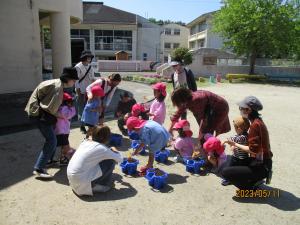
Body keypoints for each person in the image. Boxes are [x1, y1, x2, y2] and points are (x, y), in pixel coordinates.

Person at [25, 67, 79, 179]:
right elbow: (50, 109)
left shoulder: (57, 84)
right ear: (68, 79)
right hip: (38, 115)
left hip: (38, 112)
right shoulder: (57, 88)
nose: (74, 83)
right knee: (52, 140)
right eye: (74, 80)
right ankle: (39, 168)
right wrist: (64, 116)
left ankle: (49, 161)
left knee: (52, 138)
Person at [222, 96, 273, 189]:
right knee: (238, 162)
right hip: (263, 162)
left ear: (248, 110)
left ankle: (250, 187)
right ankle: (254, 179)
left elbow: (253, 150)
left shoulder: (255, 125)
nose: (240, 110)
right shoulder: (258, 121)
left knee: (225, 172)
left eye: (241, 108)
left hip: (261, 165)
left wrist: (235, 144)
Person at [67, 126, 123, 196]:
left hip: (73, 180)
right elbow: (120, 159)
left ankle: (90, 184)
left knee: (100, 159)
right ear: (106, 138)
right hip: (81, 182)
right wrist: (115, 150)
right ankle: (97, 185)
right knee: (110, 161)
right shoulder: (102, 149)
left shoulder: (85, 142)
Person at [220, 116, 250, 186]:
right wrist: (233, 146)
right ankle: (232, 179)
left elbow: (233, 139)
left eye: (235, 128)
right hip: (239, 157)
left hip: (239, 159)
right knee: (234, 169)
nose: (235, 130)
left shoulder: (242, 137)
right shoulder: (244, 135)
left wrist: (225, 141)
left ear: (239, 129)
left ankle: (229, 180)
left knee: (232, 169)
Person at [74, 50, 96, 134]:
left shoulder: (90, 67)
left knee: (89, 108)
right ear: (84, 57)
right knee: (81, 109)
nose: (89, 58)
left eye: (90, 57)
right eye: (88, 57)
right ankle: (82, 126)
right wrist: (78, 91)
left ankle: (89, 124)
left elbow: (93, 78)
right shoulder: (78, 67)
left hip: (89, 92)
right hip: (81, 91)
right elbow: (76, 80)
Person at [53, 92, 76, 165]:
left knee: (63, 144)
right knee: (65, 145)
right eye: (69, 101)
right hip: (62, 131)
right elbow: (69, 115)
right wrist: (72, 108)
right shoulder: (64, 108)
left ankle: (63, 157)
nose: (71, 103)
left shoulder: (58, 107)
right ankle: (64, 157)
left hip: (61, 129)